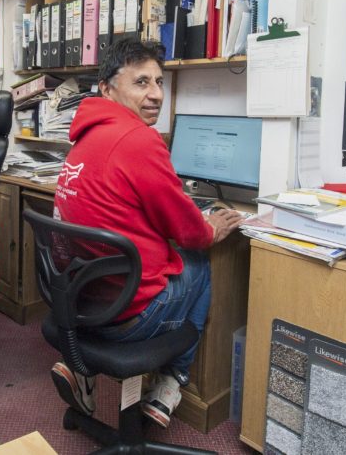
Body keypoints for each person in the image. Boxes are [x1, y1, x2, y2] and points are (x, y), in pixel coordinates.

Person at [49, 38, 244, 428]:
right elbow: (190, 232)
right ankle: (171, 384)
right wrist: (210, 225)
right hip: (127, 315)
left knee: (176, 256)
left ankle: (84, 367)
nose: (156, 94)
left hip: (81, 303)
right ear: (107, 88)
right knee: (199, 261)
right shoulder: (139, 139)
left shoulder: (85, 136)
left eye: (159, 82)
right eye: (141, 83)